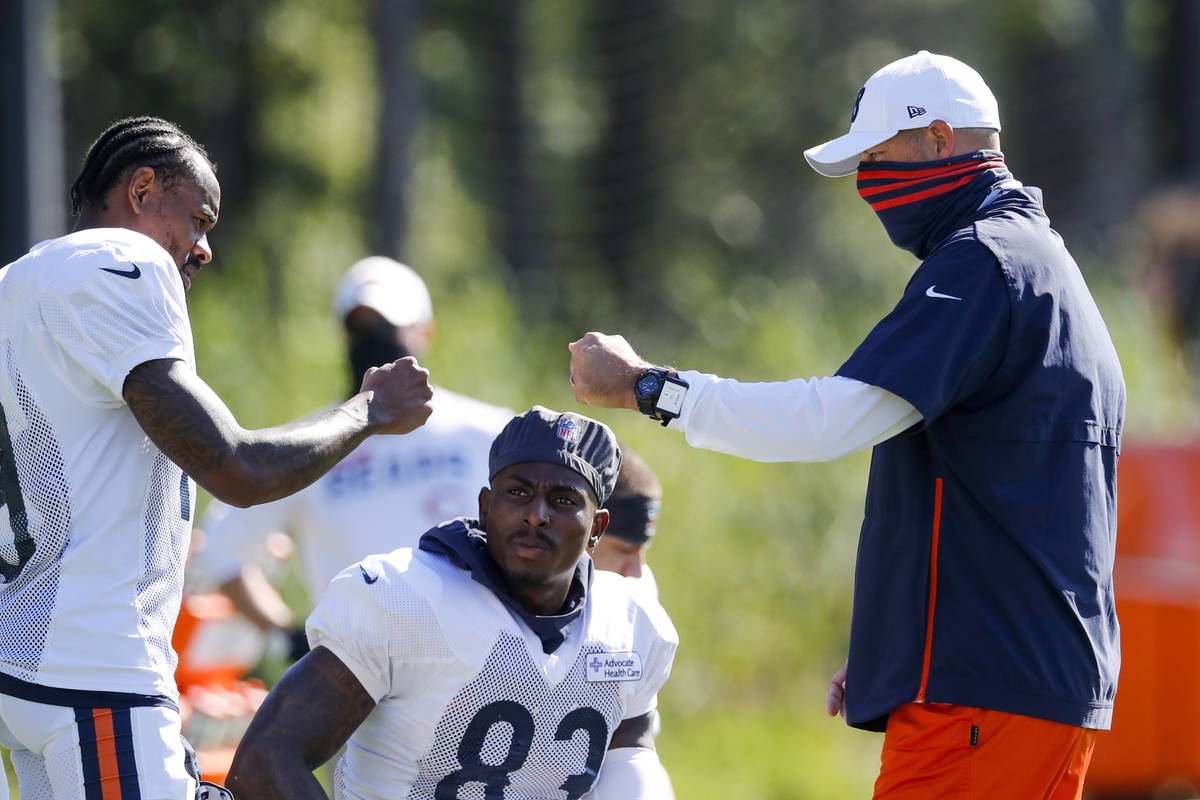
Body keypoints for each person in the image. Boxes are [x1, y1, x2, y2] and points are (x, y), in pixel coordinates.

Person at [567, 51, 1125, 799]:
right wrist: (901, 640)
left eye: (879, 153)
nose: (869, 182)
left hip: (986, 691)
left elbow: (832, 419)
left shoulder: (985, 264)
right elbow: (1006, 492)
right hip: (1004, 675)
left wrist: (650, 388)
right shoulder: (1033, 261)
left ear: (937, 140)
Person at [0, 117, 433, 799]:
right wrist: (369, 411)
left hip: (23, 667)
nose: (202, 250)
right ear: (142, 189)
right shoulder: (125, 261)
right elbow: (239, 469)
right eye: (198, 219)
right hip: (94, 672)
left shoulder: (14, 284)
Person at [225, 406, 678, 799]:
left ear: (596, 528)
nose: (536, 514)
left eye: (562, 499)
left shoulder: (628, 625)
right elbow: (265, 762)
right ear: (485, 507)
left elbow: (630, 761)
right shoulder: (408, 601)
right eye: (518, 492)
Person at [192, 257, 512, 654]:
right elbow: (219, 551)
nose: (372, 339)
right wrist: (287, 640)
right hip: (358, 690)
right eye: (358, 326)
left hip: (476, 664)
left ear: (424, 332)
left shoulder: (489, 433)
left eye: (387, 325)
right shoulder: (307, 446)